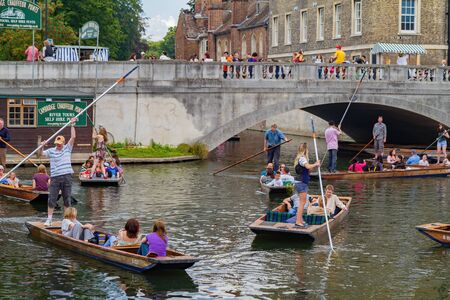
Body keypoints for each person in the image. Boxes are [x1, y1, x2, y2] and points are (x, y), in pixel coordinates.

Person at [39, 118, 77, 226]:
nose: (58, 145)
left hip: (67, 176)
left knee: (67, 199)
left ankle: (66, 220)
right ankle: (49, 219)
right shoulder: (51, 151)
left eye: (60, 143)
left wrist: (72, 124)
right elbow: (41, 154)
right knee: (52, 198)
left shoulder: (67, 148)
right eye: (57, 143)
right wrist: (41, 146)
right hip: (55, 177)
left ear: (63, 142)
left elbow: (73, 137)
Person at [293, 143, 320, 228]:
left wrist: (316, 164)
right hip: (301, 182)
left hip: (300, 182)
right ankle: (298, 221)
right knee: (302, 203)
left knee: (302, 202)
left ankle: (300, 220)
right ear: (305, 150)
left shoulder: (301, 159)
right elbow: (308, 166)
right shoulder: (302, 158)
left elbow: (308, 169)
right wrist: (315, 164)